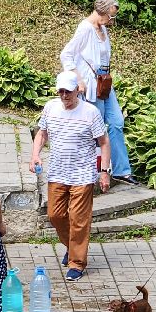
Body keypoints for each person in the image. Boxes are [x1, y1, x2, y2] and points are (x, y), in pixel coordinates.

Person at [29, 71, 112, 281]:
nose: (64, 95)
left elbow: (104, 142)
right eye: (61, 91)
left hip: (83, 175)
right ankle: (71, 245)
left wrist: (104, 172)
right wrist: (35, 155)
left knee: (79, 219)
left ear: (78, 90)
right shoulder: (51, 107)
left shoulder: (90, 112)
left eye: (68, 91)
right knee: (55, 215)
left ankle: (77, 262)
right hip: (57, 172)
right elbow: (42, 133)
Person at [59, 0, 133, 182]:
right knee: (97, 130)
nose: (112, 21)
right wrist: (79, 79)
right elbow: (66, 55)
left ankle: (121, 170)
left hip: (104, 84)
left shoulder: (103, 28)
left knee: (117, 122)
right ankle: (95, 172)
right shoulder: (85, 29)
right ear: (101, 12)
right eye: (111, 16)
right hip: (91, 86)